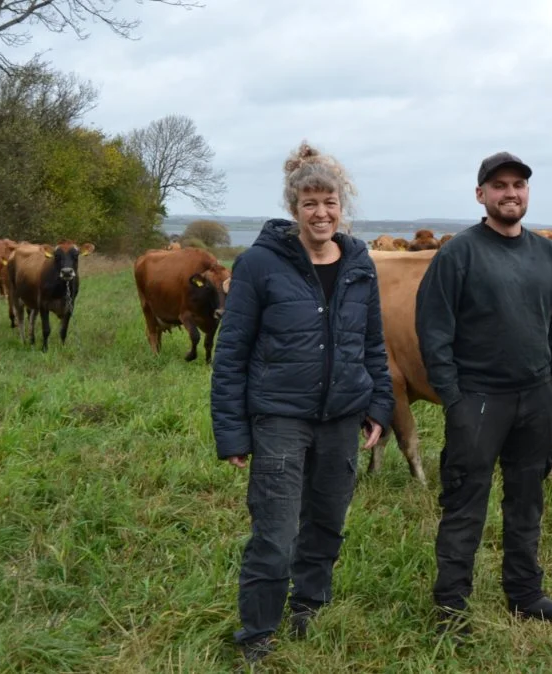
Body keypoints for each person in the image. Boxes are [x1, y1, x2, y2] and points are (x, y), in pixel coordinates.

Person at [210, 141, 394, 663]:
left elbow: (372, 342)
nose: (321, 213)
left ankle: (309, 605)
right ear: (294, 209)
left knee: (328, 520)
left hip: (342, 417)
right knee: (275, 529)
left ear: (343, 206)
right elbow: (232, 352)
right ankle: (258, 634)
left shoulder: (358, 261)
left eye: (330, 202)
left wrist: (379, 404)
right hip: (280, 419)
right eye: (310, 203)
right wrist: (232, 432)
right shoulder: (260, 265)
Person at [415, 151, 552, 637]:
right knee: (465, 503)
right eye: (500, 185)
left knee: (527, 501)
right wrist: (454, 398)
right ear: (481, 194)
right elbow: (433, 331)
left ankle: (526, 595)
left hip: (537, 398)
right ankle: (451, 607)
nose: (511, 193)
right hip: (478, 399)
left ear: (527, 193)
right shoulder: (459, 253)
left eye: (519, 185)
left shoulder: (549, 255)